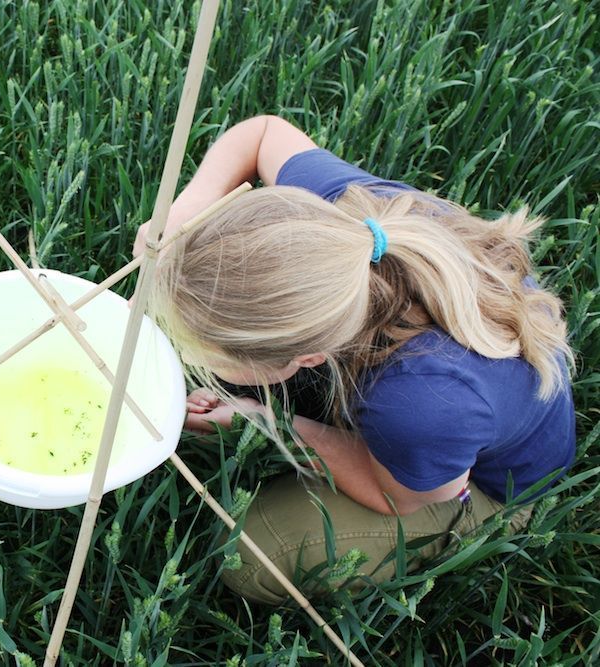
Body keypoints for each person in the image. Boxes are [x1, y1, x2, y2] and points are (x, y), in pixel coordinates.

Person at [138, 115, 576, 604]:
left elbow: (399, 496)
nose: (186, 353)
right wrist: (187, 215)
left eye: (203, 353)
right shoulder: (333, 229)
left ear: (309, 355)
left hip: (480, 484)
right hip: (440, 415)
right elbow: (262, 133)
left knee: (250, 552)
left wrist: (271, 422)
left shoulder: (420, 405)